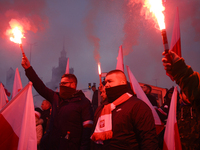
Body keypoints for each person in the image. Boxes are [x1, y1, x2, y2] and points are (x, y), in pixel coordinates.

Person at [21, 54, 93, 150]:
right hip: (52, 145)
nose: (61, 86)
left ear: (73, 85)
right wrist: (28, 69)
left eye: (64, 83)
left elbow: (87, 129)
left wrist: (83, 147)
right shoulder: (56, 98)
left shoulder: (83, 102)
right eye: (60, 83)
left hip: (71, 146)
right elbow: (40, 87)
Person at [91, 70, 159, 149]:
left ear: (122, 82)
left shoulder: (138, 106)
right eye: (105, 82)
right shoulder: (102, 108)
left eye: (110, 81)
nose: (106, 85)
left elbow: (148, 140)